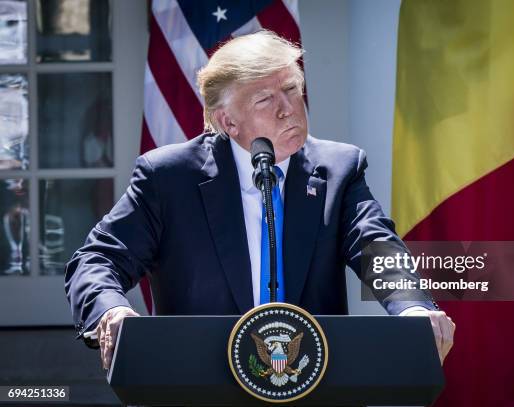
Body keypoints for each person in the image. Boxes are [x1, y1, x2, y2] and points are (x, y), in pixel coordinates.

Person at [65, 30, 455, 371]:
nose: (288, 108)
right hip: (198, 382)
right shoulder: (169, 177)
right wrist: (112, 311)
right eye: (265, 100)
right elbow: (97, 260)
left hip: (314, 381)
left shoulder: (339, 168)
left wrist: (412, 306)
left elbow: (375, 245)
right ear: (228, 122)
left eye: (291, 88)